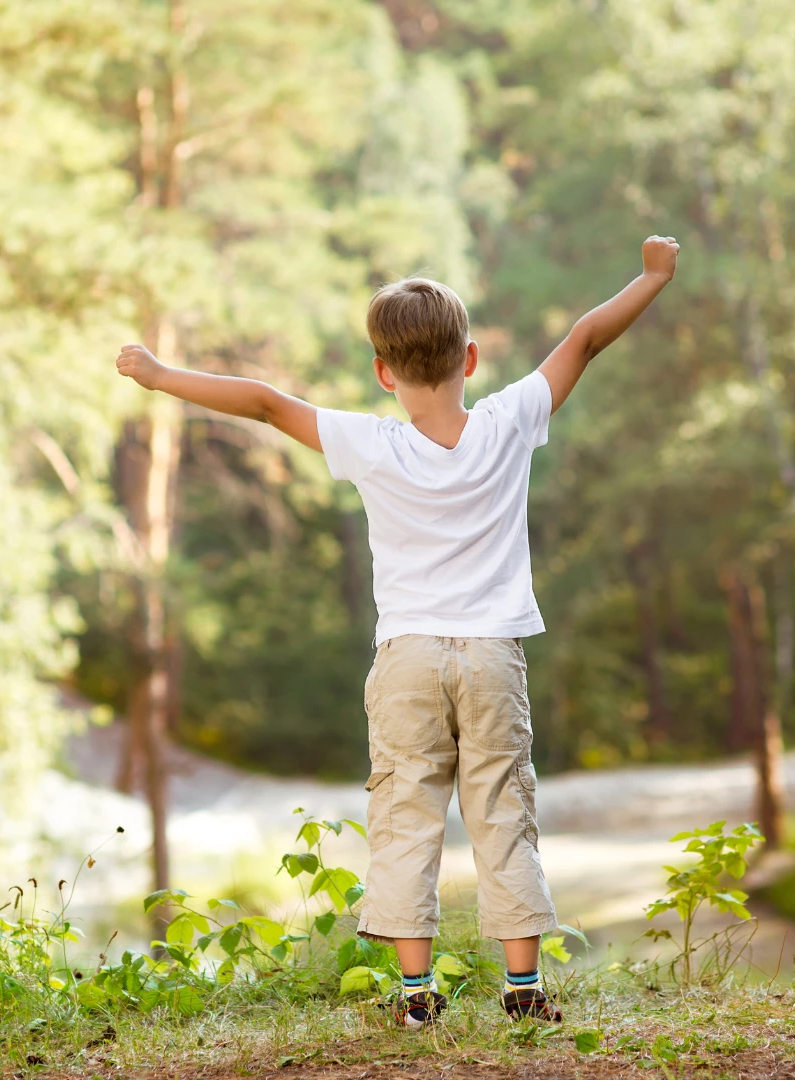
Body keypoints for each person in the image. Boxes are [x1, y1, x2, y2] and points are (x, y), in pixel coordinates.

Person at [114, 235, 681, 1027]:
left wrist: (160, 374)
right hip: (490, 653)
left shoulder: (369, 443)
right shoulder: (508, 423)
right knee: (501, 809)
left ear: (384, 373)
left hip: (408, 655)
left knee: (406, 814)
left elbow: (265, 402)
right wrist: (650, 276)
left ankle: (418, 999)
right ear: (472, 359)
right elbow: (584, 337)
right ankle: (523, 990)